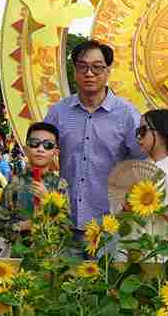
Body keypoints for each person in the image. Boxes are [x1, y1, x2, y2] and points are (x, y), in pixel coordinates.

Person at [43, 40, 141, 233]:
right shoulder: (58, 112)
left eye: (97, 67)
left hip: (111, 225)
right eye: (83, 67)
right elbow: (39, 152)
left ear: (108, 70)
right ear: (74, 71)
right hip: (65, 223)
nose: (89, 73)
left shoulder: (128, 115)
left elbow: (143, 161)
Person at [0, 121, 68, 252]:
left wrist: (48, 202)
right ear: (26, 149)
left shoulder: (60, 184)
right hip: (19, 256)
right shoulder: (15, 184)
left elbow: (66, 227)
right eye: (34, 143)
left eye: (48, 145)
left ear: (55, 152)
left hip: (51, 256)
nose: (40, 149)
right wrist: (23, 226)